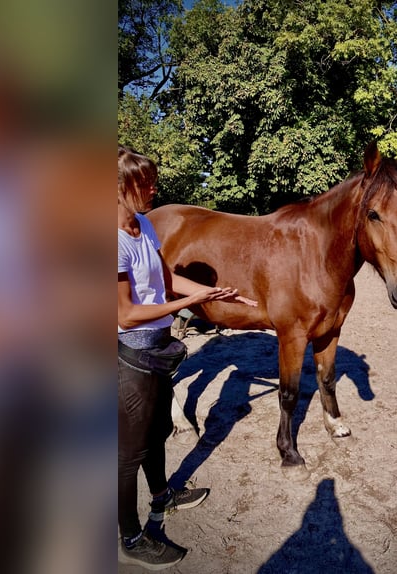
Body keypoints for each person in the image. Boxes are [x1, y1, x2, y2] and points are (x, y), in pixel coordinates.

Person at [117, 145, 257, 569]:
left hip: (157, 350)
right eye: (145, 183)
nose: (153, 187)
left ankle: (162, 495)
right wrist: (181, 304)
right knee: (130, 452)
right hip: (131, 355)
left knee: (158, 430)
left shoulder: (143, 224)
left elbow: (164, 278)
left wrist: (206, 292)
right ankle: (129, 537)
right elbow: (124, 312)